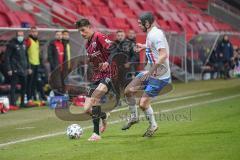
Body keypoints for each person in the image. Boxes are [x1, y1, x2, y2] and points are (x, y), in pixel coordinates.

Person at [122, 12, 171, 137]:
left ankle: (153, 125)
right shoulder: (152, 33)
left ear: (147, 23)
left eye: (140, 23)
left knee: (143, 104)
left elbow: (163, 54)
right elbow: (155, 47)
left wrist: (150, 72)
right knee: (128, 91)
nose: (139, 26)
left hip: (160, 75)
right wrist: (144, 47)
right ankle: (134, 117)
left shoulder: (156, 34)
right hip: (150, 70)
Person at [76, 18, 118, 141]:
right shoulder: (87, 45)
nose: (82, 33)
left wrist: (107, 61)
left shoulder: (99, 36)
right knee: (87, 109)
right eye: (80, 31)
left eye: (83, 30)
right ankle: (104, 116)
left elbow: (114, 49)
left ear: (90, 27)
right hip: (97, 76)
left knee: (95, 98)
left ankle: (96, 134)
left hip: (109, 73)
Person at [5, 30, 32, 107]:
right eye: (19, 35)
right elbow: (7, 57)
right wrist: (9, 68)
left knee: (24, 87)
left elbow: (27, 57)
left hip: (24, 69)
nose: (21, 37)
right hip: (15, 69)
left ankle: (22, 103)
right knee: (13, 87)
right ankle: (12, 104)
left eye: (22, 35)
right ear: (16, 36)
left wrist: (29, 67)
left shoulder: (24, 44)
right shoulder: (11, 45)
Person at [25, 27, 41, 102]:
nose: (34, 33)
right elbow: (25, 53)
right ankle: (29, 98)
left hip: (36, 64)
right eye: (33, 32)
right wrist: (28, 66)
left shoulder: (37, 41)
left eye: (36, 32)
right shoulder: (28, 40)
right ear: (30, 32)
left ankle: (33, 96)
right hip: (30, 65)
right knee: (29, 83)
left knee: (34, 82)